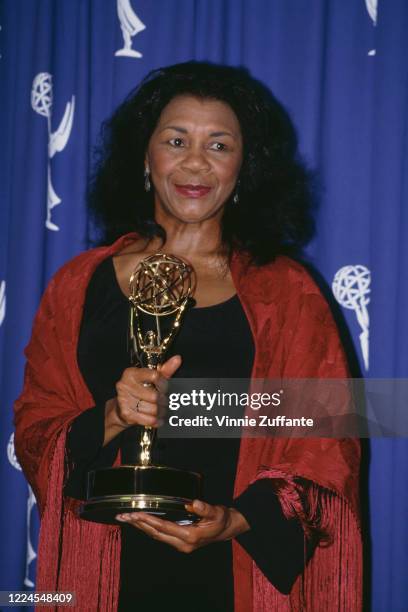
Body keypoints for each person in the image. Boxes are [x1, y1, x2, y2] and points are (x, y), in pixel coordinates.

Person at [14, 62, 362, 611]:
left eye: (219, 145)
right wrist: (113, 414)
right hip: (104, 567)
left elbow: (329, 445)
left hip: (235, 567)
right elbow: (36, 425)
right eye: (176, 140)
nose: (196, 162)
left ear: (244, 167)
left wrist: (237, 520)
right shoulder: (79, 285)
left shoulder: (286, 293)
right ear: (145, 158)